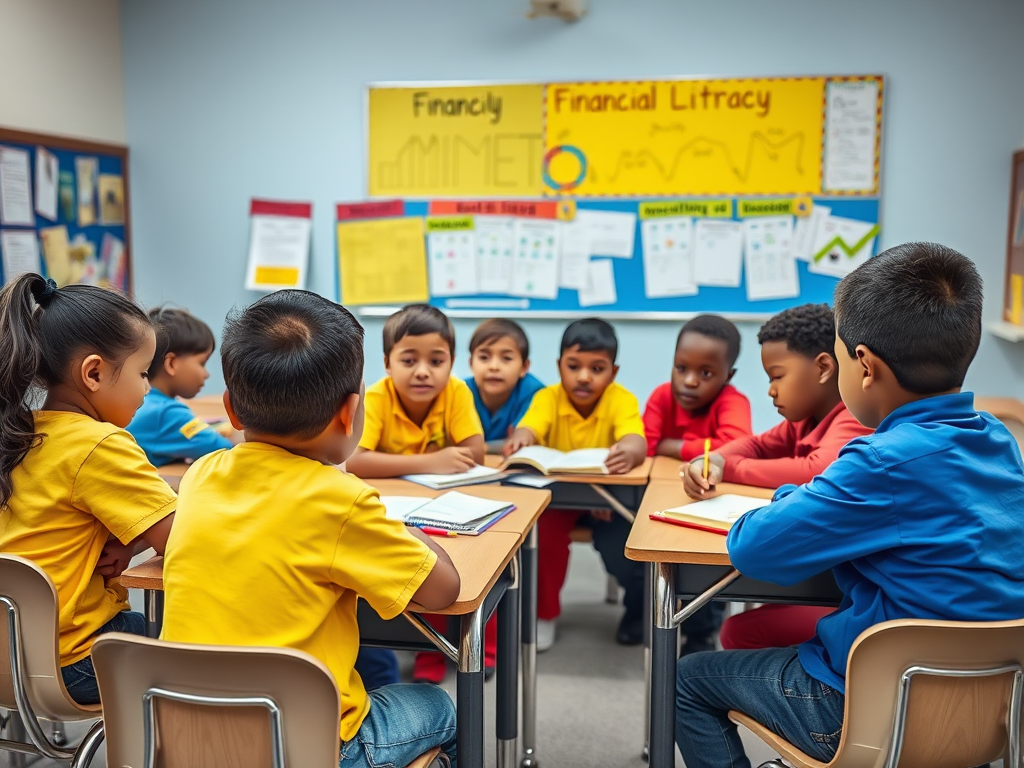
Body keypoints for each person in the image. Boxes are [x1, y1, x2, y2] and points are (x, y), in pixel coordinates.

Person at [675, 242, 1024, 768]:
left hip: (870, 711)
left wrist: (794, 497)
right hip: (988, 712)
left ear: (863, 366)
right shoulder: (999, 443)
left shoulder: (880, 461)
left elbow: (755, 549)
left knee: (687, 681)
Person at [160, 290, 460, 768]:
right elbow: (444, 591)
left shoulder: (201, 474)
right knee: (441, 706)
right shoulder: (343, 502)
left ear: (232, 409)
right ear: (349, 412)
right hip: (311, 748)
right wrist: (400, 522)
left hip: (189, 738)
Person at [0, 274, 176, 704]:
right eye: (141, 372)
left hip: (10, 663)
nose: (147, 388)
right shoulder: (99, 444)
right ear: (94, 373)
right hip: (76, 661)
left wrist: (130, 543)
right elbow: (184, 539)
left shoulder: (20, 433)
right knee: (214, 636)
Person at [681, 304, 873, 651]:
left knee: (739, 632)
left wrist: (731, 467)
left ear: (823, 368)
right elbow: (754, 444)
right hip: (827, 571)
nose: (770, 390)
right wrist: (717, 459)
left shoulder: (853, 419)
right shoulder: (804, 420)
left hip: (852, 594)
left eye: (777, 376)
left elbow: (815, 469)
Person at [345, 304, 486, 684]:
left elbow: (475, 452)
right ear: (388, 363)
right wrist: (432, 461)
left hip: (444, 501)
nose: (423, 371)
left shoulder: (455, 392)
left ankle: (457, 642)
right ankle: (422, 644)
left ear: (451, 363)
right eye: (409, 359)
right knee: (403, 562)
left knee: (464, 560)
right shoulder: (376, 397)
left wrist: (420, 462)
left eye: (436, 360)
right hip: (392, 501)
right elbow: (355, 459)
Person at [505, 318, 647, 649]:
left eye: (597, 368)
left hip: (605, 501)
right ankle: (545, 614)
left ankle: (637, 611)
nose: (584, 376)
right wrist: (522, 438)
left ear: (613, 372)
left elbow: (636, 441)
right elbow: (530, 428)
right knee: (544, 537)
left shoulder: (621, 399)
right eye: (574, 366)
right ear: (559, 366)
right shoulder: (547, 397)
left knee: (626, 548)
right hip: (560, 501)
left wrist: (630, 449)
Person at [643, 314, 752, 653]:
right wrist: (693, 447)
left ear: (727, 376)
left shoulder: (734, 402)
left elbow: (733, 446)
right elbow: (645, 444)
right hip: (658, 503)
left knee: (704, 563)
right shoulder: (662, 396)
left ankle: (702, 629)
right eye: (681, 368)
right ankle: (641, 611)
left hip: (712, 507)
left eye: (705, 373)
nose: (690, 381)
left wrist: (672, 445)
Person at [126, 307, 237, 466]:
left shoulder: (146, 401)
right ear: (171, 364)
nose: (206, 374)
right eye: (202, 363)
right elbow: (221, 448)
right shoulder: (166, 412)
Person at [467, 318, 544, 454]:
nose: (494, 367)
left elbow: (520, 444)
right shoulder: (459, 392)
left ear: (524, 367)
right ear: (471, 363)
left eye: (506, 358)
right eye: (484, 358)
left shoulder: (535, 394)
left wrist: (476, 448)